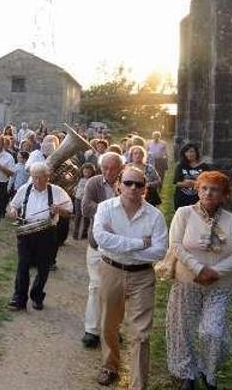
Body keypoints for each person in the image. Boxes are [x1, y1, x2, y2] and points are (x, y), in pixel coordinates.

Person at [165, 171, 232, 390]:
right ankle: (187, 374)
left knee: (213, 332)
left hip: (219, 286)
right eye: (204, 188)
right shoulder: (184, 214)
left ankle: (208, 372)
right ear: (197, 190)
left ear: (224, 195)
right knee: (184, 329)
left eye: (215, 189)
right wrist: (199, 269)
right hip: (187, 281)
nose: (209, 193)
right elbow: (176, 245)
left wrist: (215, 272)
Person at [93, 166, 168, 389]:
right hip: (111, 270)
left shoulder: (155, 216)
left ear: (145, 189)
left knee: (141, 334)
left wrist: (122, 244)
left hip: (142, 275)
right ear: (118, 185)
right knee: (108, 324)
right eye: (128, 183)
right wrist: (139, 243)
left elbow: (159, 251)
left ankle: (138, 383)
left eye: (139, 184)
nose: (133, 188)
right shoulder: (105, 208)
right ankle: (110, 366)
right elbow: (101, 239)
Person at [5, 162, 73, 311]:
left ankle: (37, 296)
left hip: (47, 232)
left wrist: (59, 209)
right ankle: (19, 298)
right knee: (23, 265)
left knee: (43, 267)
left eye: (41, 178)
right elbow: (13, 205)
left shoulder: (57, 191)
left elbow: (69, 212)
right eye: (35, 177)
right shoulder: (25, 189)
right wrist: (13, 211)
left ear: (48, 177)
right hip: (26, 231)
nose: (37, 181)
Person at [80, 152, 125, 349]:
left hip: (121, 247)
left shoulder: (127, 184)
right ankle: (91, 330)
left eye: (112, 168)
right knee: (96, 286)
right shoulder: (93, 183)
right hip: (97, 244)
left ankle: (112, 328)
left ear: (120, 169)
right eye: (105, 168)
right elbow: (85, 208)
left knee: (116, 291)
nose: (108, 172)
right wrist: (112, 209)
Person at [173, 143, 211, 210]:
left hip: (199, 199)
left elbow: (209, 182)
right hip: (182, 199)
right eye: (186, 152)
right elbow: (176, 183)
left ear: (196, 152)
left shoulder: (204, 166)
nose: (189, 154)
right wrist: (185, 184)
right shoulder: (180, 166)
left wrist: (195, 183)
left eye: (191, 151)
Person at [72, 162, 96, 240]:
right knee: (77, 216)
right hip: (78, 199)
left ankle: (84, 234)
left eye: (89, 172)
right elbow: (76, 187)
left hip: (87, 200)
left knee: (86, 217)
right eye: (85, 172)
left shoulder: (93, 180)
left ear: (92, 172)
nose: (87, 174)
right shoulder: (79, 179)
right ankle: (75, 233)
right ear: (82, 171)